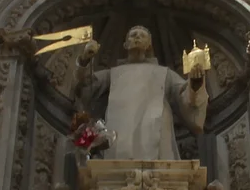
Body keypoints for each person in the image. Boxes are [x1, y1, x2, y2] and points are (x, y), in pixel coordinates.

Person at [89, 27, 208, 162]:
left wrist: (195, 84)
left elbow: (184, 93)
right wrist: (84, 60)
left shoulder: (164, 73)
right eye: (133, 35)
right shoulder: (113, 73)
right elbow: (87, 86)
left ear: (149, 45)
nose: (137, 37)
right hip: (120, 130)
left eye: (142, 36)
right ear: (125, 44)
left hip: (156, 128)